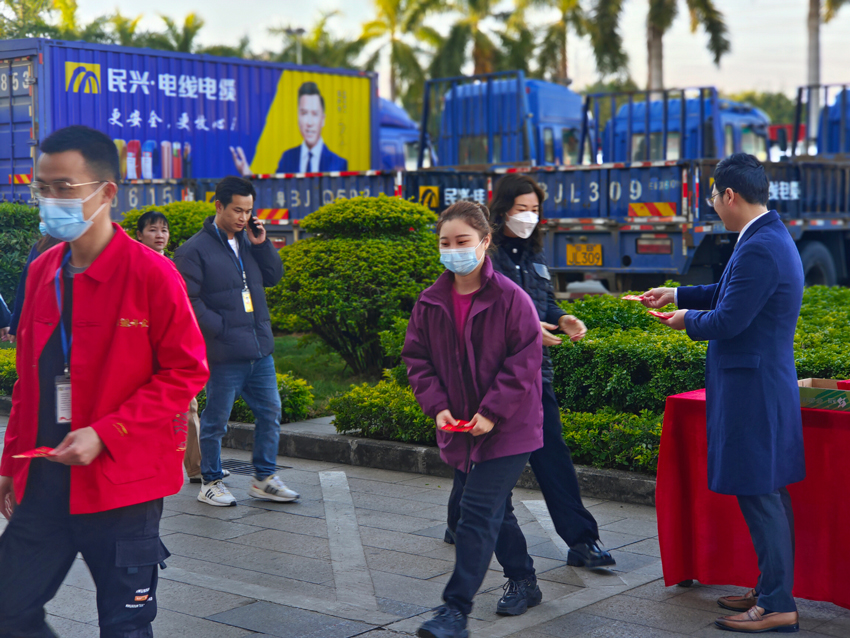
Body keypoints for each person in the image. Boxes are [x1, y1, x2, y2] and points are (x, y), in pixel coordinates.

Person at [0, 125, 209, 638]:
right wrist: (9, 464)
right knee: (8, 610)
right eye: (42, 188)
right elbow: (29, 381)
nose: (51, 200)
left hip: (123, 488)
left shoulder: (152, 275)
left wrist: (106, 432)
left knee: (125, 627)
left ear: (106, 193)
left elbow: (186, 371)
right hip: (45, 477)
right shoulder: (43, 270)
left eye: (65, 188)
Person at [644, 153, 804, 634]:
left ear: (729, 195)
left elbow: (730, 319)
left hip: (753, 389)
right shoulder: (765, 235)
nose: (712, 203)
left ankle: (777, 604)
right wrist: (678, 295)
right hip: (760, 384)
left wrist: (684, 321)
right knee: (767, 493)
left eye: (713, 195)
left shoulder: (759, 245)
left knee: (761, 494)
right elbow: (729, 291)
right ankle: (769, 589)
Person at [444, 174, 616, 569]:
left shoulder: (535, 255)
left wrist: (564, 317)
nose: (529, 216)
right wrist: (525, 327)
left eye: (535, 209)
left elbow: (545, 305)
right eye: (522, 209)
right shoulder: (483, 255)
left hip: (536, 375)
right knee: (477, 453)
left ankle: (582, 540)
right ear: (501, 210)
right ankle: (459, 521)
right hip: (490, 378)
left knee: (551, 452)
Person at [402, 201, 545, 638]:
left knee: (476, 511)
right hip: (461, 428)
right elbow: (417, 359)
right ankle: (524, 579)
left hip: (509, 428)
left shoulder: (510, 298)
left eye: (462, 241)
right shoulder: (430, 301)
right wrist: (438, 406)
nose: (453, 250)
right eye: (445, 242)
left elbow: (524, 362)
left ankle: (454, 612)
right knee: (494, 509)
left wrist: (491, 412)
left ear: (484, 242)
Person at [174, 176, 298, 507]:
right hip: (224, 352)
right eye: (237, 210)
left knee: (271, 412)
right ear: (218, 206)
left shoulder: (248, 241)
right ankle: (210, 481)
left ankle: (264, 478)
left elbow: (273, 277)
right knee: (215, 421)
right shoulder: (193, 250)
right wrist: (225, 327)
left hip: (260, 349)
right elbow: (189, 301)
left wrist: (262, 243)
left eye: (248, 211)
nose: (243, 218)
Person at [133, 210, 218, 486]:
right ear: (139, 235)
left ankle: (195, 467)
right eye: (152, 230)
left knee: (188, 406)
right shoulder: (133, 266)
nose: (159, 235)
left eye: (163, 230)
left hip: (172, 349)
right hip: (144, 350)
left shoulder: (171, 265)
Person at [230, 81, 348, 176]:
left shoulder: (338, 163)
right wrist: (247, 173)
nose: (309, 122)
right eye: (304, 113)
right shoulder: (288, 158)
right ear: (298, 116)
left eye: (315, 114)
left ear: (323, 119)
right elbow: (274, 193)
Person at [4, 232, 63, 343]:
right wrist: (15, 325)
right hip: (38, 318)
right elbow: (24, 288)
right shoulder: (39, 247)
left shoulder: (75, 249)